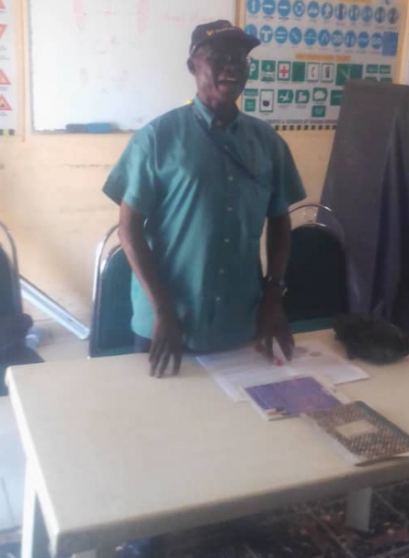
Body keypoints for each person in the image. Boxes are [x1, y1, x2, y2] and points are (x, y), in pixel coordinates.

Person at [103, 20, 306, 376]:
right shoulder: (157, 138)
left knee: (240, 408)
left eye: (240, 58)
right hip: (168, 324)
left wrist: (274, 296)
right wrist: (163, 310)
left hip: (240, 318)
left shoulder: (268, 143)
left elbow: (279, 221)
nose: (232, 66)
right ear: (192, 66)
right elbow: (128, 230)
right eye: (219, 56)